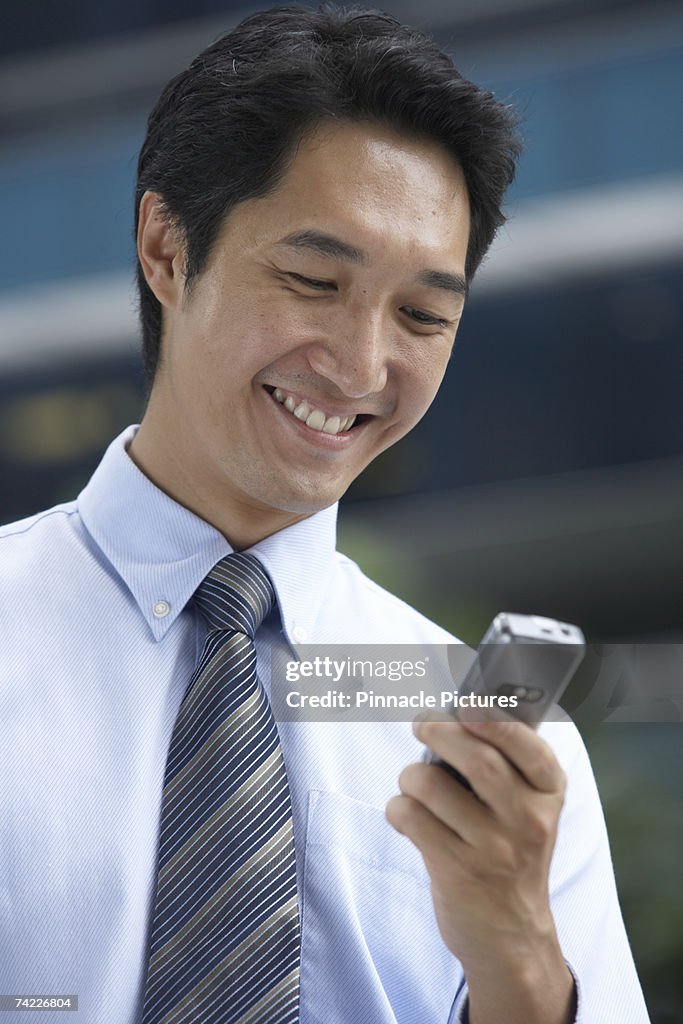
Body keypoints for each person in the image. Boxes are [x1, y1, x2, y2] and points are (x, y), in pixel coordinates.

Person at [0, 5, 650, 1023]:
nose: (359, 366)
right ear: (166, 248)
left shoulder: (490, 743)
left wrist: (518, 961)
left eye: (423, 315)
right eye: (313, 280)